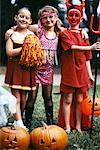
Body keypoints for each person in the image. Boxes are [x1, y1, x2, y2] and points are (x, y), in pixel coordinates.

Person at [59, 0, 100, 133]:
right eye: (71, 15)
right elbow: (72, 47)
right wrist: (91, 47)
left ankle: (77, 125)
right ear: (67, 17)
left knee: (79, 99)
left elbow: (87, 57)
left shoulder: (84, 34)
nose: (74, 18)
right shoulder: (64, 33)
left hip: (81, 70)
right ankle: (67, 126)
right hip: (69, 70)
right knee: (68, 98)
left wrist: (89, 75)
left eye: (77, 15)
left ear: (81, 17)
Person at [5, 7, 37, 128]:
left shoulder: (32, 36)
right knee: (16, 98)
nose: (23, 19)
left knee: (23, 99)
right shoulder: (11, 34)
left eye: (26, 18)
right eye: (21, 16)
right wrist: (25, 47)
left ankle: (18, 120)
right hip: (15, 68)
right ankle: (19, 123)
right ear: (16, 18)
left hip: (28, 69)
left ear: (30, 21)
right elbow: (9, 52)